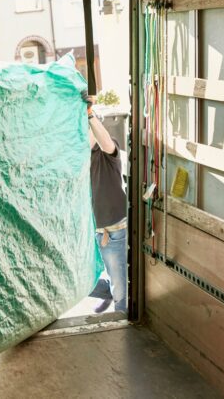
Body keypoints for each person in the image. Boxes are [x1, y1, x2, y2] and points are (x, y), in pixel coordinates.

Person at [85, 97, 128, 314]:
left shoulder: (108, 154)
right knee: (80, 281)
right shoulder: (80, 159)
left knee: (122, 300)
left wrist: (90, 115)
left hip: (114, 231)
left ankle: (120, 317)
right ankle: (109, 292)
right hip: (93, 231)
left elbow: (104, 141)